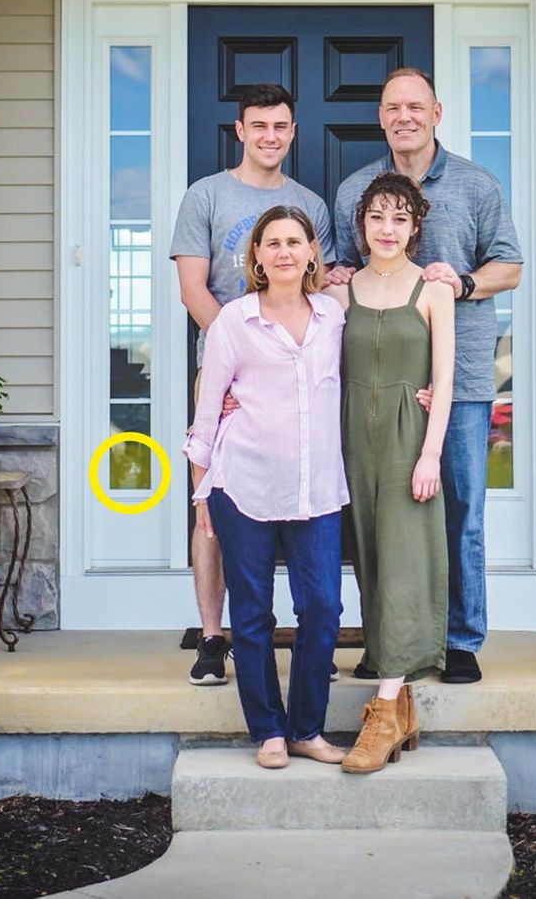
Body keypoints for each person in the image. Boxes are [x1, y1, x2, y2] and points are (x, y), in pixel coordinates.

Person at [332, 67, 523, 684]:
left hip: (458, 376)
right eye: (393, 107)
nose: (404, 117)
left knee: (460, 511)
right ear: (381, 117)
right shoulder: (357, 190)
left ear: (436, 113)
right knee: (381, 518)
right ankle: (392, 639)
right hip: (384, 384)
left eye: (416, 106)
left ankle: (460, 639)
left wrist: (461, 283)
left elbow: (510, 266)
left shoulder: (476, 183)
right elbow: (342, 270)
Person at [170, 83, 335, 685]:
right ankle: (215, 637)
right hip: (225, 375)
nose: (270, 136)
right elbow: (193, 290)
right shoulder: (205, 195)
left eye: (280, 126)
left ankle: (309, 641)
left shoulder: (309, 206)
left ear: (293, 132)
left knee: (298, 497)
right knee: (217, 500)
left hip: (293, 376)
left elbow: (320, 289)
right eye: (259, 125)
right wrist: (239, 353)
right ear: (239, 131)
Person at [183, 205, 348, 769]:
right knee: (252, 615)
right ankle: (269, 732)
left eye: (294, 242)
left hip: (316, 489)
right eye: (272, 243)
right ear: (256, 254)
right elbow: (209, 409)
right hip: (243, 485)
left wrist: (419, 391)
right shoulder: (235, 320)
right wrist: (201, 492)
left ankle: (306, 729)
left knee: (322, 608)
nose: (283, 252)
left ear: (311, 252)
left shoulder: (332, 315)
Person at [324, 172, 454, 774]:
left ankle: (380, 717)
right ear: (361, 225)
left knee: (403, 564)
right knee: (370, 562)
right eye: (377, 216)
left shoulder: (433, 290)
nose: (387, 228)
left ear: (415, 227)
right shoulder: (340, 291)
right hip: (351, 440)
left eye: (400, 218)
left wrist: (430, 454)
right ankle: (400, 702)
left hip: (407, 441)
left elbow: (444, 380)